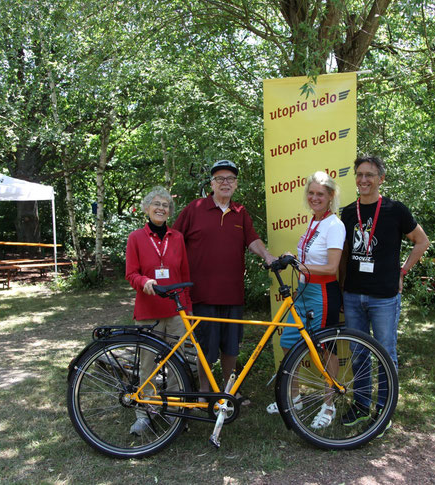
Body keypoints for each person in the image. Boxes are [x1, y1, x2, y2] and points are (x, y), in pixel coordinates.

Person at [339, 155, 430, 433]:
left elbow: (422, 241)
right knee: (357, 353)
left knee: (386, 353)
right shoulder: (346, 212)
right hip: (353, 295)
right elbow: (343, 254)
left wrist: (402, 272)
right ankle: (361, 404)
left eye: (369, 175)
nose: (363, 180)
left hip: (384, 297)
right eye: (359, 174)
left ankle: (384, 408)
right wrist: (341, 287)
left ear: (381, 179)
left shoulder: (395, 210)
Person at [173, 160, 275, 398]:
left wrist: (268, 255)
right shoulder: (194, 208)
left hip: (233, 293)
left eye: (230, 178)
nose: (225, 183)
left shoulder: (240, 212)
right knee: (205, 347)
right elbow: (175, 241)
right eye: (220, 179)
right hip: (202, 293)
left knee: (231, 347)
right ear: (212, 183)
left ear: (236, 184)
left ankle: (229, 390)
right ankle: (204, 391)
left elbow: (252, 240)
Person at [265, 171, 345, 429]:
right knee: (288, 342)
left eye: (320, 194)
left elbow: (332, 267)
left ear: (331, 196)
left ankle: (329, 405)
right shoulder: (314, 222)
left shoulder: (335, 225)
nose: (314, 197)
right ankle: (295, 397)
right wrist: (296, 261)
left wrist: (299, 264)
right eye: (311, 193)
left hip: (322, 293)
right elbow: (309, 260)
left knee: (325, 350)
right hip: (304, 291)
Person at [125, 186, 191, 435]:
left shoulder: (178, 238)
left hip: (175, 312)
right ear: (146, 208)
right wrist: (145, 282)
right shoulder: (136, 238)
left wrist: (188, 310)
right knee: (147, 365)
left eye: (165, 205)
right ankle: (144, 413)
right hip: (148, 311)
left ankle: (175, 412)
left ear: (170, 211)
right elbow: (131, 273)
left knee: (178, 363)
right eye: (156, 203)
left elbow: (184, 275)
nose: (161, 208)